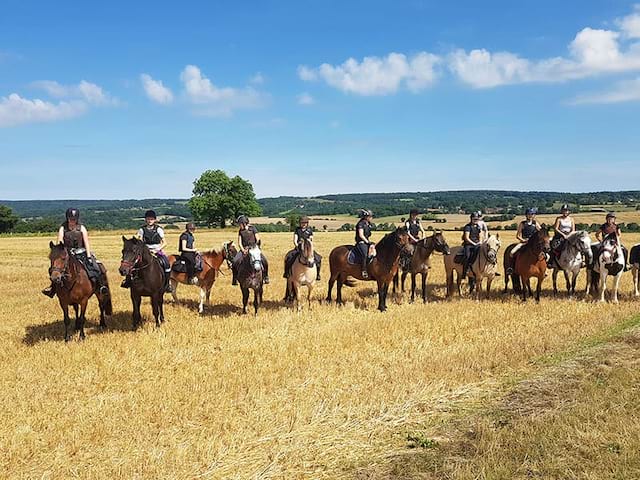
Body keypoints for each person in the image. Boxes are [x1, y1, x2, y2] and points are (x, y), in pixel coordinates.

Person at [42, 208, 108, 297]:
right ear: (67, 218)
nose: (72, 221)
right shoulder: (62, 228)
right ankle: (52, 288)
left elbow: (86, 243)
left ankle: (100, 287)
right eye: (70, 219)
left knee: (96, 267)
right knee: (55, 269)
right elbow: (60, 243)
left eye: (74, 219)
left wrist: (88, 256)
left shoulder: (82, 228)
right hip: (67, 254)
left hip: (81, 252)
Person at [123, 209, 172, 292]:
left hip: (157, 250)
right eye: (148, 219)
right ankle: (127, 281)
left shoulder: (159, 229)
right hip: (145, 250)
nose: (150, 221)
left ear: (155, 220)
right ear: (145, 219)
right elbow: (139, 242)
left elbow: (165, 243)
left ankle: (167, 284)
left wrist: (157, 250)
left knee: (166, 263)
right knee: (132, 263)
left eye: (152, 219)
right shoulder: (142, 230)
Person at [232, 215, 270, 285]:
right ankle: (235, 279)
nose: (239, 225)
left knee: (264, 261)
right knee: (234, 261)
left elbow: (258, 238)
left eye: (239, 224)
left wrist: (255, 246)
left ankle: (265, 277)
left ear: (244, 223)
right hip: (244, 249)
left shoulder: (253, 228)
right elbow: (239, 243)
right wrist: (243, 250)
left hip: (254, 248)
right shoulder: (240, 231)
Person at [283, 216, 322, 281]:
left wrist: (309, 243)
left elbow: (311, 239)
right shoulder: (297, 230)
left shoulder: (309, 230)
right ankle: (287, 273)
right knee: (289, 257)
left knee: (318, 258)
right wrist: (297, 245)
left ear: (307, 223)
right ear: (300, 223)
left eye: (305, 223)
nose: (303, 224)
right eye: (302, 223)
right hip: (299, 248)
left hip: (308, 248)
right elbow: (295, 239)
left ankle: (317, 274)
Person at [506, 208, 542, 274]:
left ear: (534, 215)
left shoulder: (535, 223)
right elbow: (518, 236)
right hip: (524, 242)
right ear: (526, 215)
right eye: (529, 214)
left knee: (546, 255)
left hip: (533, 243)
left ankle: (543, 269)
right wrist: (523, 240)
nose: (530, 215)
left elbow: (541, 232)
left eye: (532, 214)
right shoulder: (522, 224)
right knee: (512, 252)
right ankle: (511, 267)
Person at [461, 212, 484, 278]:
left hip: (477, 244)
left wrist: (480, 242)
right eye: (474, 219)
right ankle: (465, 271)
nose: (476, 220)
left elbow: (480, 236)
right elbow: (466, 237)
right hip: (469, 244)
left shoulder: (478, 227)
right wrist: (473, 243)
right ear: (471, 219)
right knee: (467, 256)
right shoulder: (467, 227)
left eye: (477, 219)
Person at [355, 209, 374, 278]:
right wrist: (367, 242)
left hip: (367, 241)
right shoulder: (361, 224)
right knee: (365, 255)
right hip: (361, 242)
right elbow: (361, 235)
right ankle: (364, 270)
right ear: (366, 217)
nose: (372, 218)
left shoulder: (368, 224)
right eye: (370, 216)